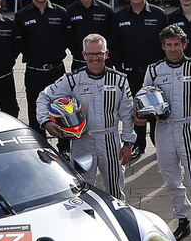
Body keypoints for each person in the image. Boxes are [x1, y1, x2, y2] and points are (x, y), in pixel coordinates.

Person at [141, 25, 191, 241]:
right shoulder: (154, 70)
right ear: (163, 46)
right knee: (172, 179)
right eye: (169, 44)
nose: (173, 48)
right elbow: (144, 98)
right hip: (163, 130)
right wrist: (144, 114)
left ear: (184, 45)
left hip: (188, 128)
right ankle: (183, 220)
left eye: (177, 44)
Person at [36, 34, 135, 200]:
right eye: (90, 54)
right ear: (83, 55)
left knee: (115, 190)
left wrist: (128, 143)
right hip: (82, 141)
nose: (95, 58)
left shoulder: (119, 80)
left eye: (99, 53)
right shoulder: (72, 80)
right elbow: (44, 97)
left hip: (110, 141)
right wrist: (45, 121)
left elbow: (127, 114)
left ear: (106, 54)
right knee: (83, 190)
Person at [112, 0, 167, 157]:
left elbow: (166, 43)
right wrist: (119, 70)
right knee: (135, 112)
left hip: (155, 73)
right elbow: (115, 46)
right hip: (130, 73)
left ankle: (160, 146)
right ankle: (138, 145)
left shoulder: (158, 14)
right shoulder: (119, 17)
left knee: (157, 112)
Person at [16, 0, 71, 129]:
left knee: (62, 110)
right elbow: (19, 43)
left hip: (57, 70)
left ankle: (64, 148)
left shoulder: (61, 13)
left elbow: (67, 40)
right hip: (34, 72)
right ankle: (39, 147)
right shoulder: (21, 16)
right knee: (35, 113)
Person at [63, 0, 116, 69]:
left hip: (102, 63)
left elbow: (113, 37)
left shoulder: (106, 10)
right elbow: (67, 37)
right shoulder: (69, 12)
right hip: (79, 62)